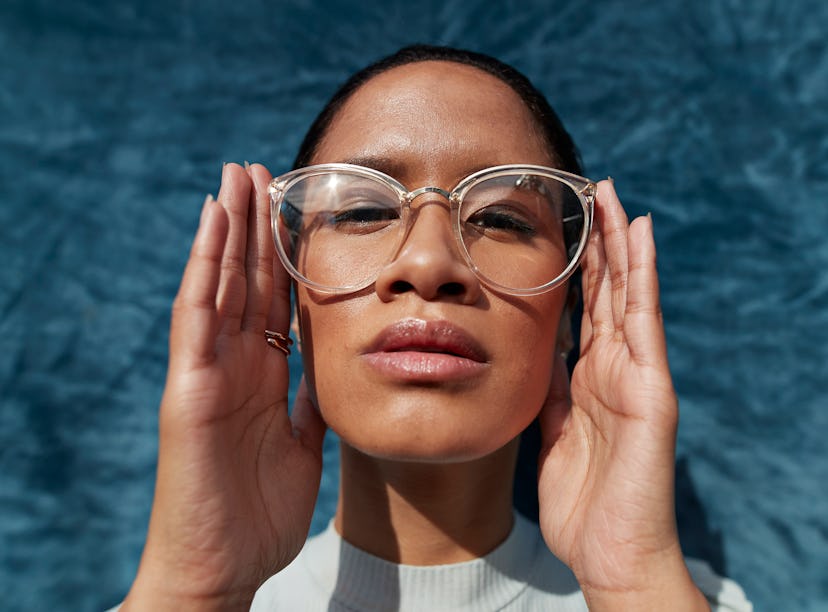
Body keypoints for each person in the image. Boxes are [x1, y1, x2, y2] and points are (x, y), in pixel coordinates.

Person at [117, 45, 751, 611]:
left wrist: (634, 585)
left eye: (501, 218)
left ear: (570, 312)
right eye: (364, 209)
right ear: (289, 296)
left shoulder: (678, 598)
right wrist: (195, 589)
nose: (427, 263)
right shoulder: (178, 598)